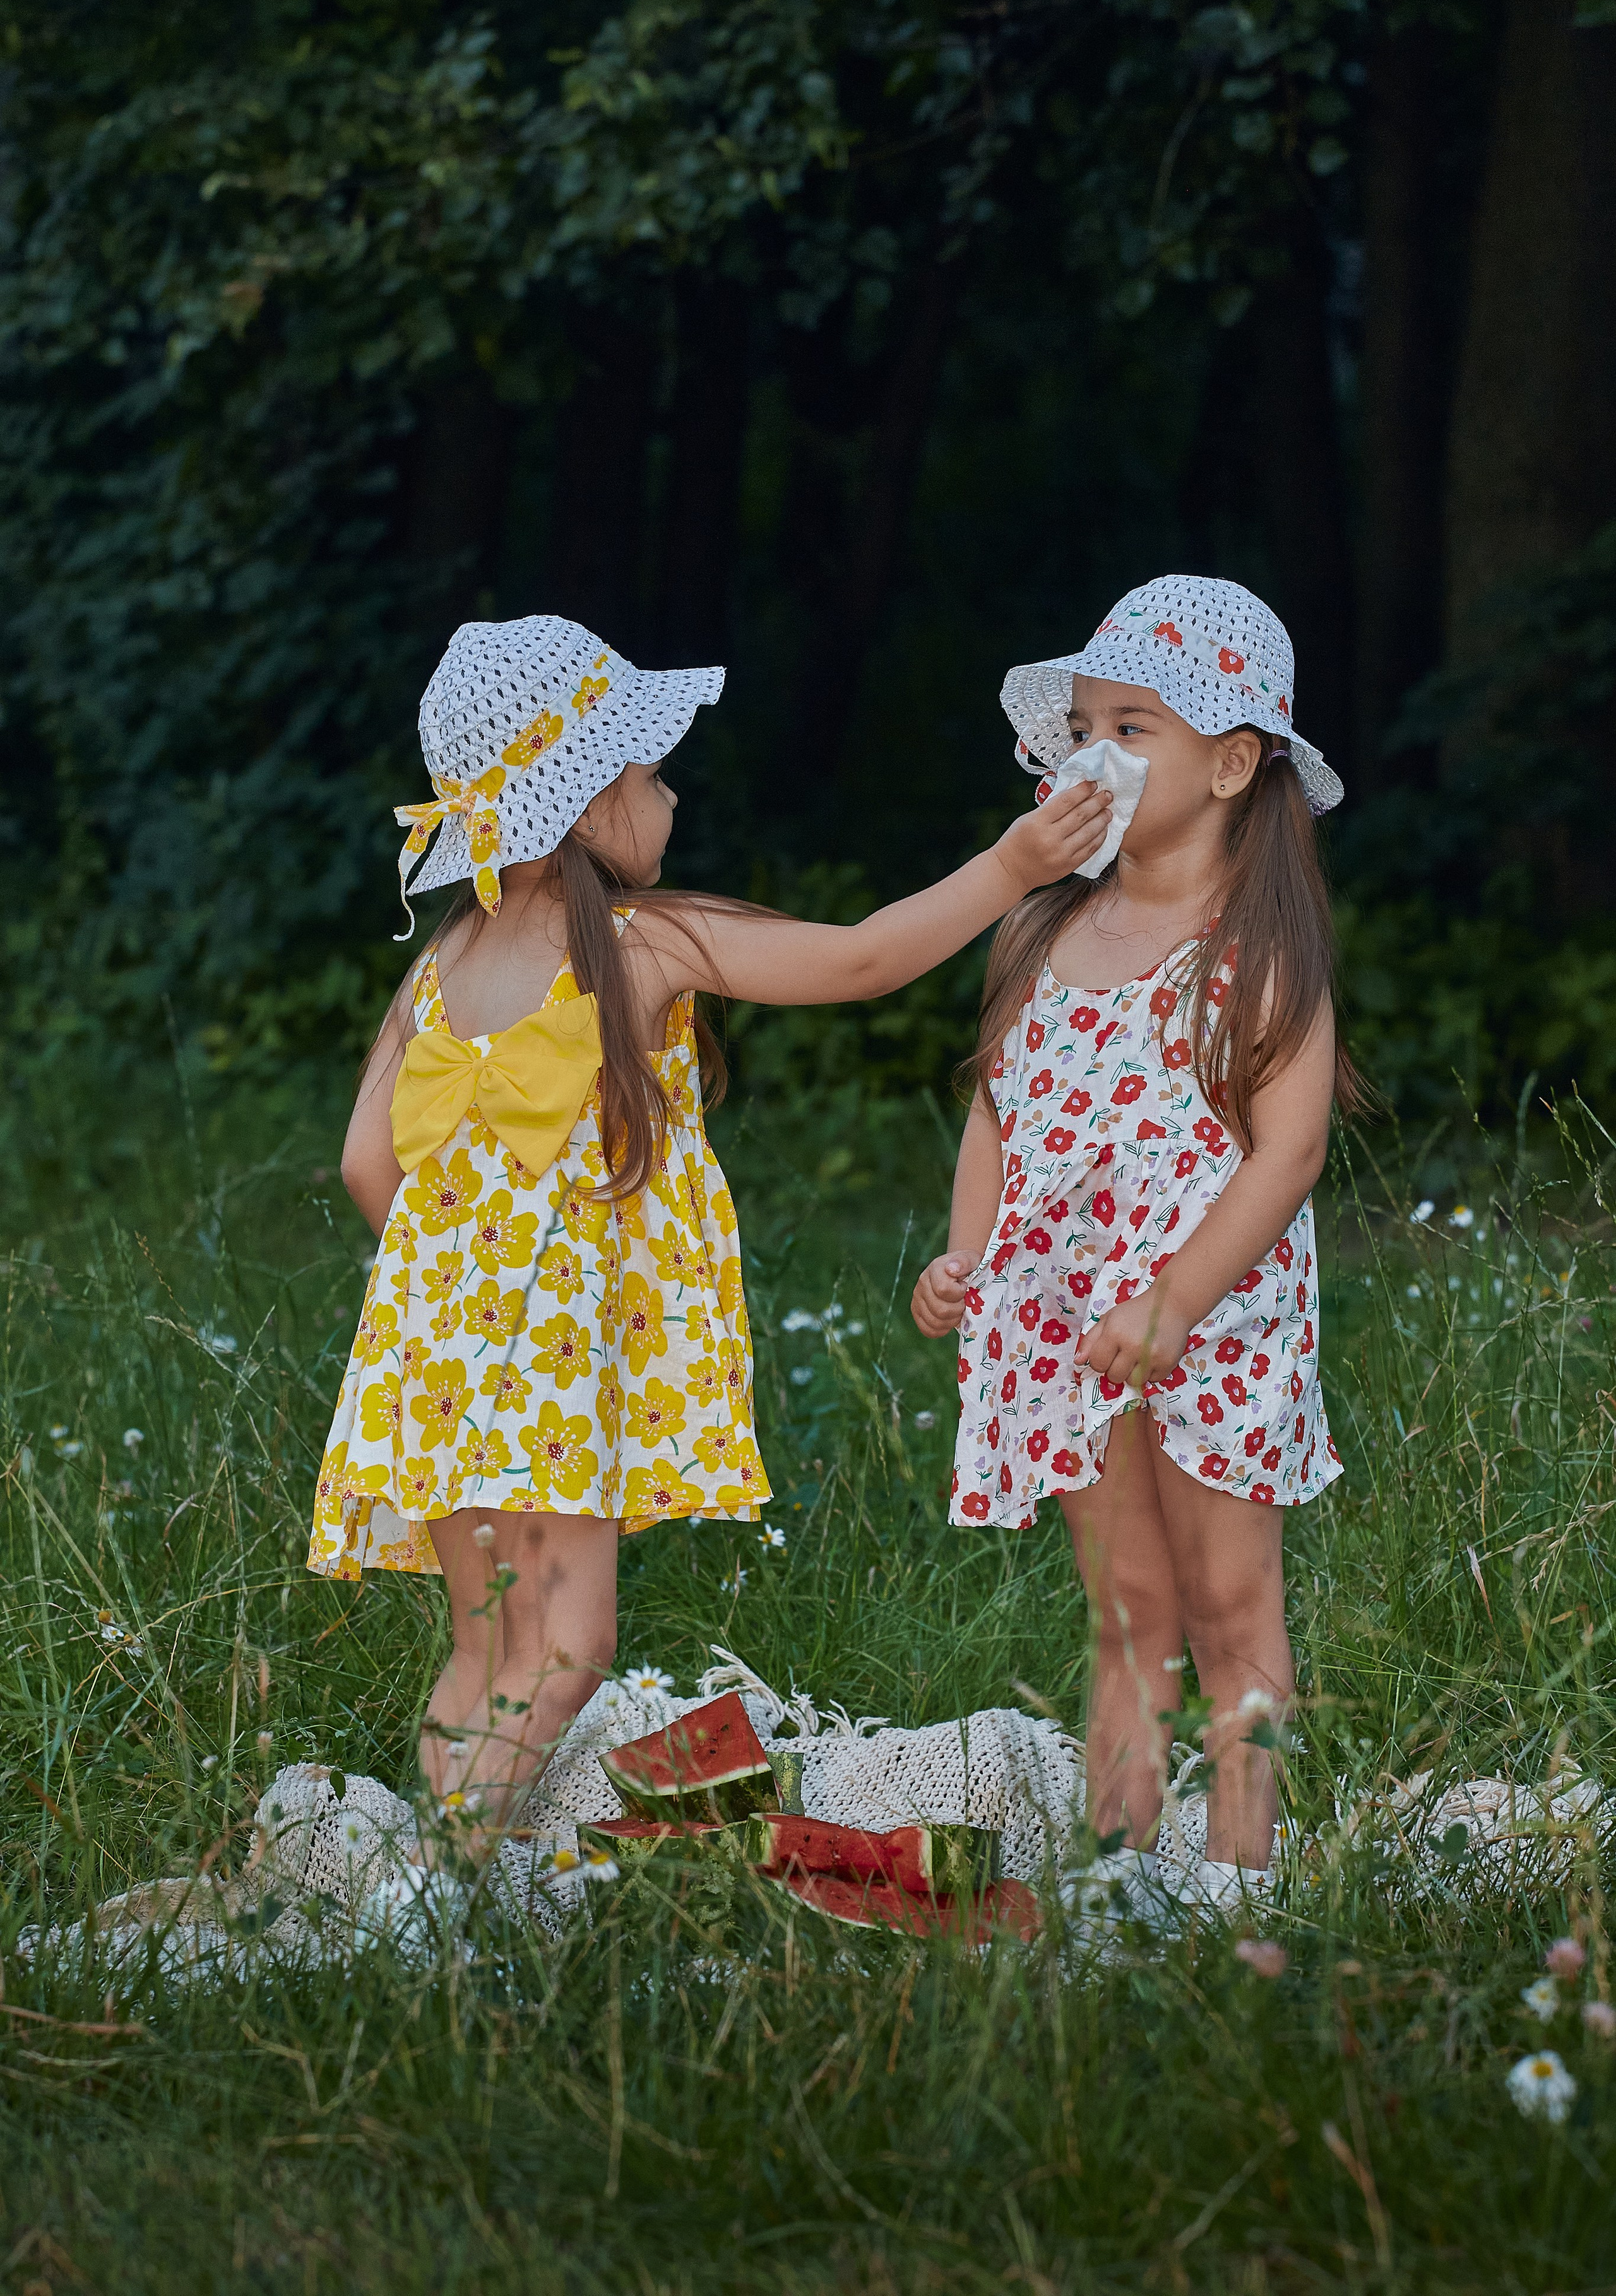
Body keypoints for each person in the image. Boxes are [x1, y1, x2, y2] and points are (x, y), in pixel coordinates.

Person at [310, 613, 1112, 1841]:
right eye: (651, 774)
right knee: (567, 1646)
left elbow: (367, 1163)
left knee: (486, 1646)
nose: (671, 796)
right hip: (542, 1372)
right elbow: (859, 961)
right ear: (587, 804)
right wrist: (1011, 866)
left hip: (433, 1356)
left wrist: (460, 1285)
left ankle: (428, 1850)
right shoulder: (641, 945)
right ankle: (452, 1874)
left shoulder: (438, 965)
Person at [911, 576, 1363, 1919]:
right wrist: (964, 1256)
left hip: (1211, 1326)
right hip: (1064, 1324)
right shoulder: (1044, 927)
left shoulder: (1256, 952)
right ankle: (1116, 1875)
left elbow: (1288, 1153)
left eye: (1132, 728)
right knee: (1127, 1610)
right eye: (1081, 728)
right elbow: (996, 1112)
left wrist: (1173, 1303)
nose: (1092, 753)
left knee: (1227, 1603)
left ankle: (1239, 1876)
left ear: (1230, 765)